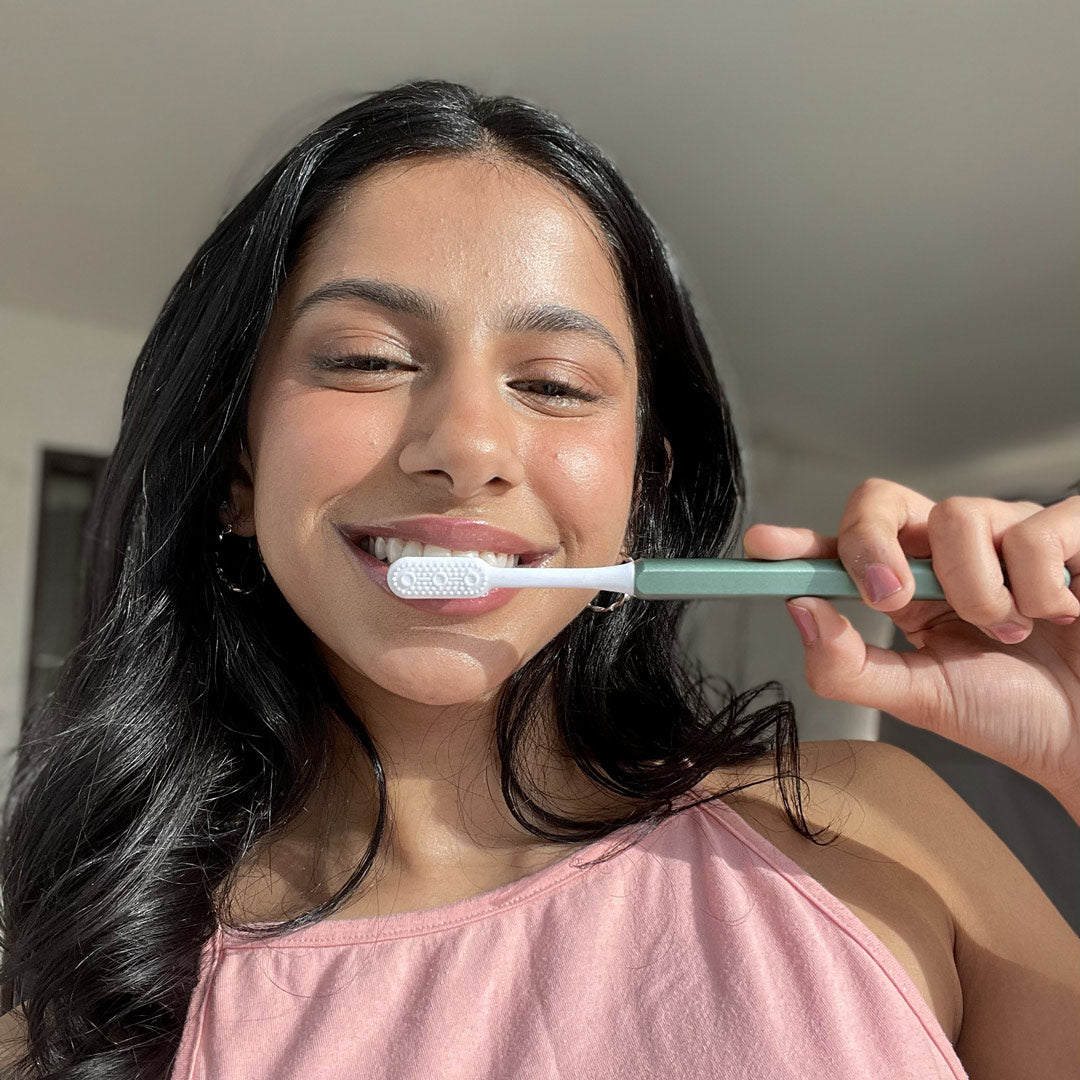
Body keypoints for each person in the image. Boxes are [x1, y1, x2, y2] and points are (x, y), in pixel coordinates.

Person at [0, 80, 1077, 1079]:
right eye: (369, 358)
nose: (468, 443)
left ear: (640, 491)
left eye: (556, 383)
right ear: (236, 469)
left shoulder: (874, 835)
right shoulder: (79, 1027)